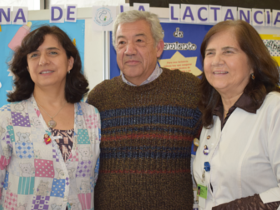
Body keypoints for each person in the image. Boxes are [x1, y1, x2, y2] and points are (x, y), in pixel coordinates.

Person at [88, 10, 202, 210]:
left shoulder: (190, 90)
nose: (129, 50)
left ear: (159, 47)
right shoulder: (99, 97)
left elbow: (219, 147)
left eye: (139, 40)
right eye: (121, 42)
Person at [0, 26, 100, 210]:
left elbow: (92, 181)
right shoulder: (8, 119)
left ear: (70, 62)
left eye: (52, 53)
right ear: (27, 66)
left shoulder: (91, 116)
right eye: (34, 55)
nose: (43, 61)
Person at [193, 20, 280, 209]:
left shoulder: (274, 109)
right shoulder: (213, 115)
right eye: (210, 53)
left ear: (253, 62)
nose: (216, 61)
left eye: (228, 51)